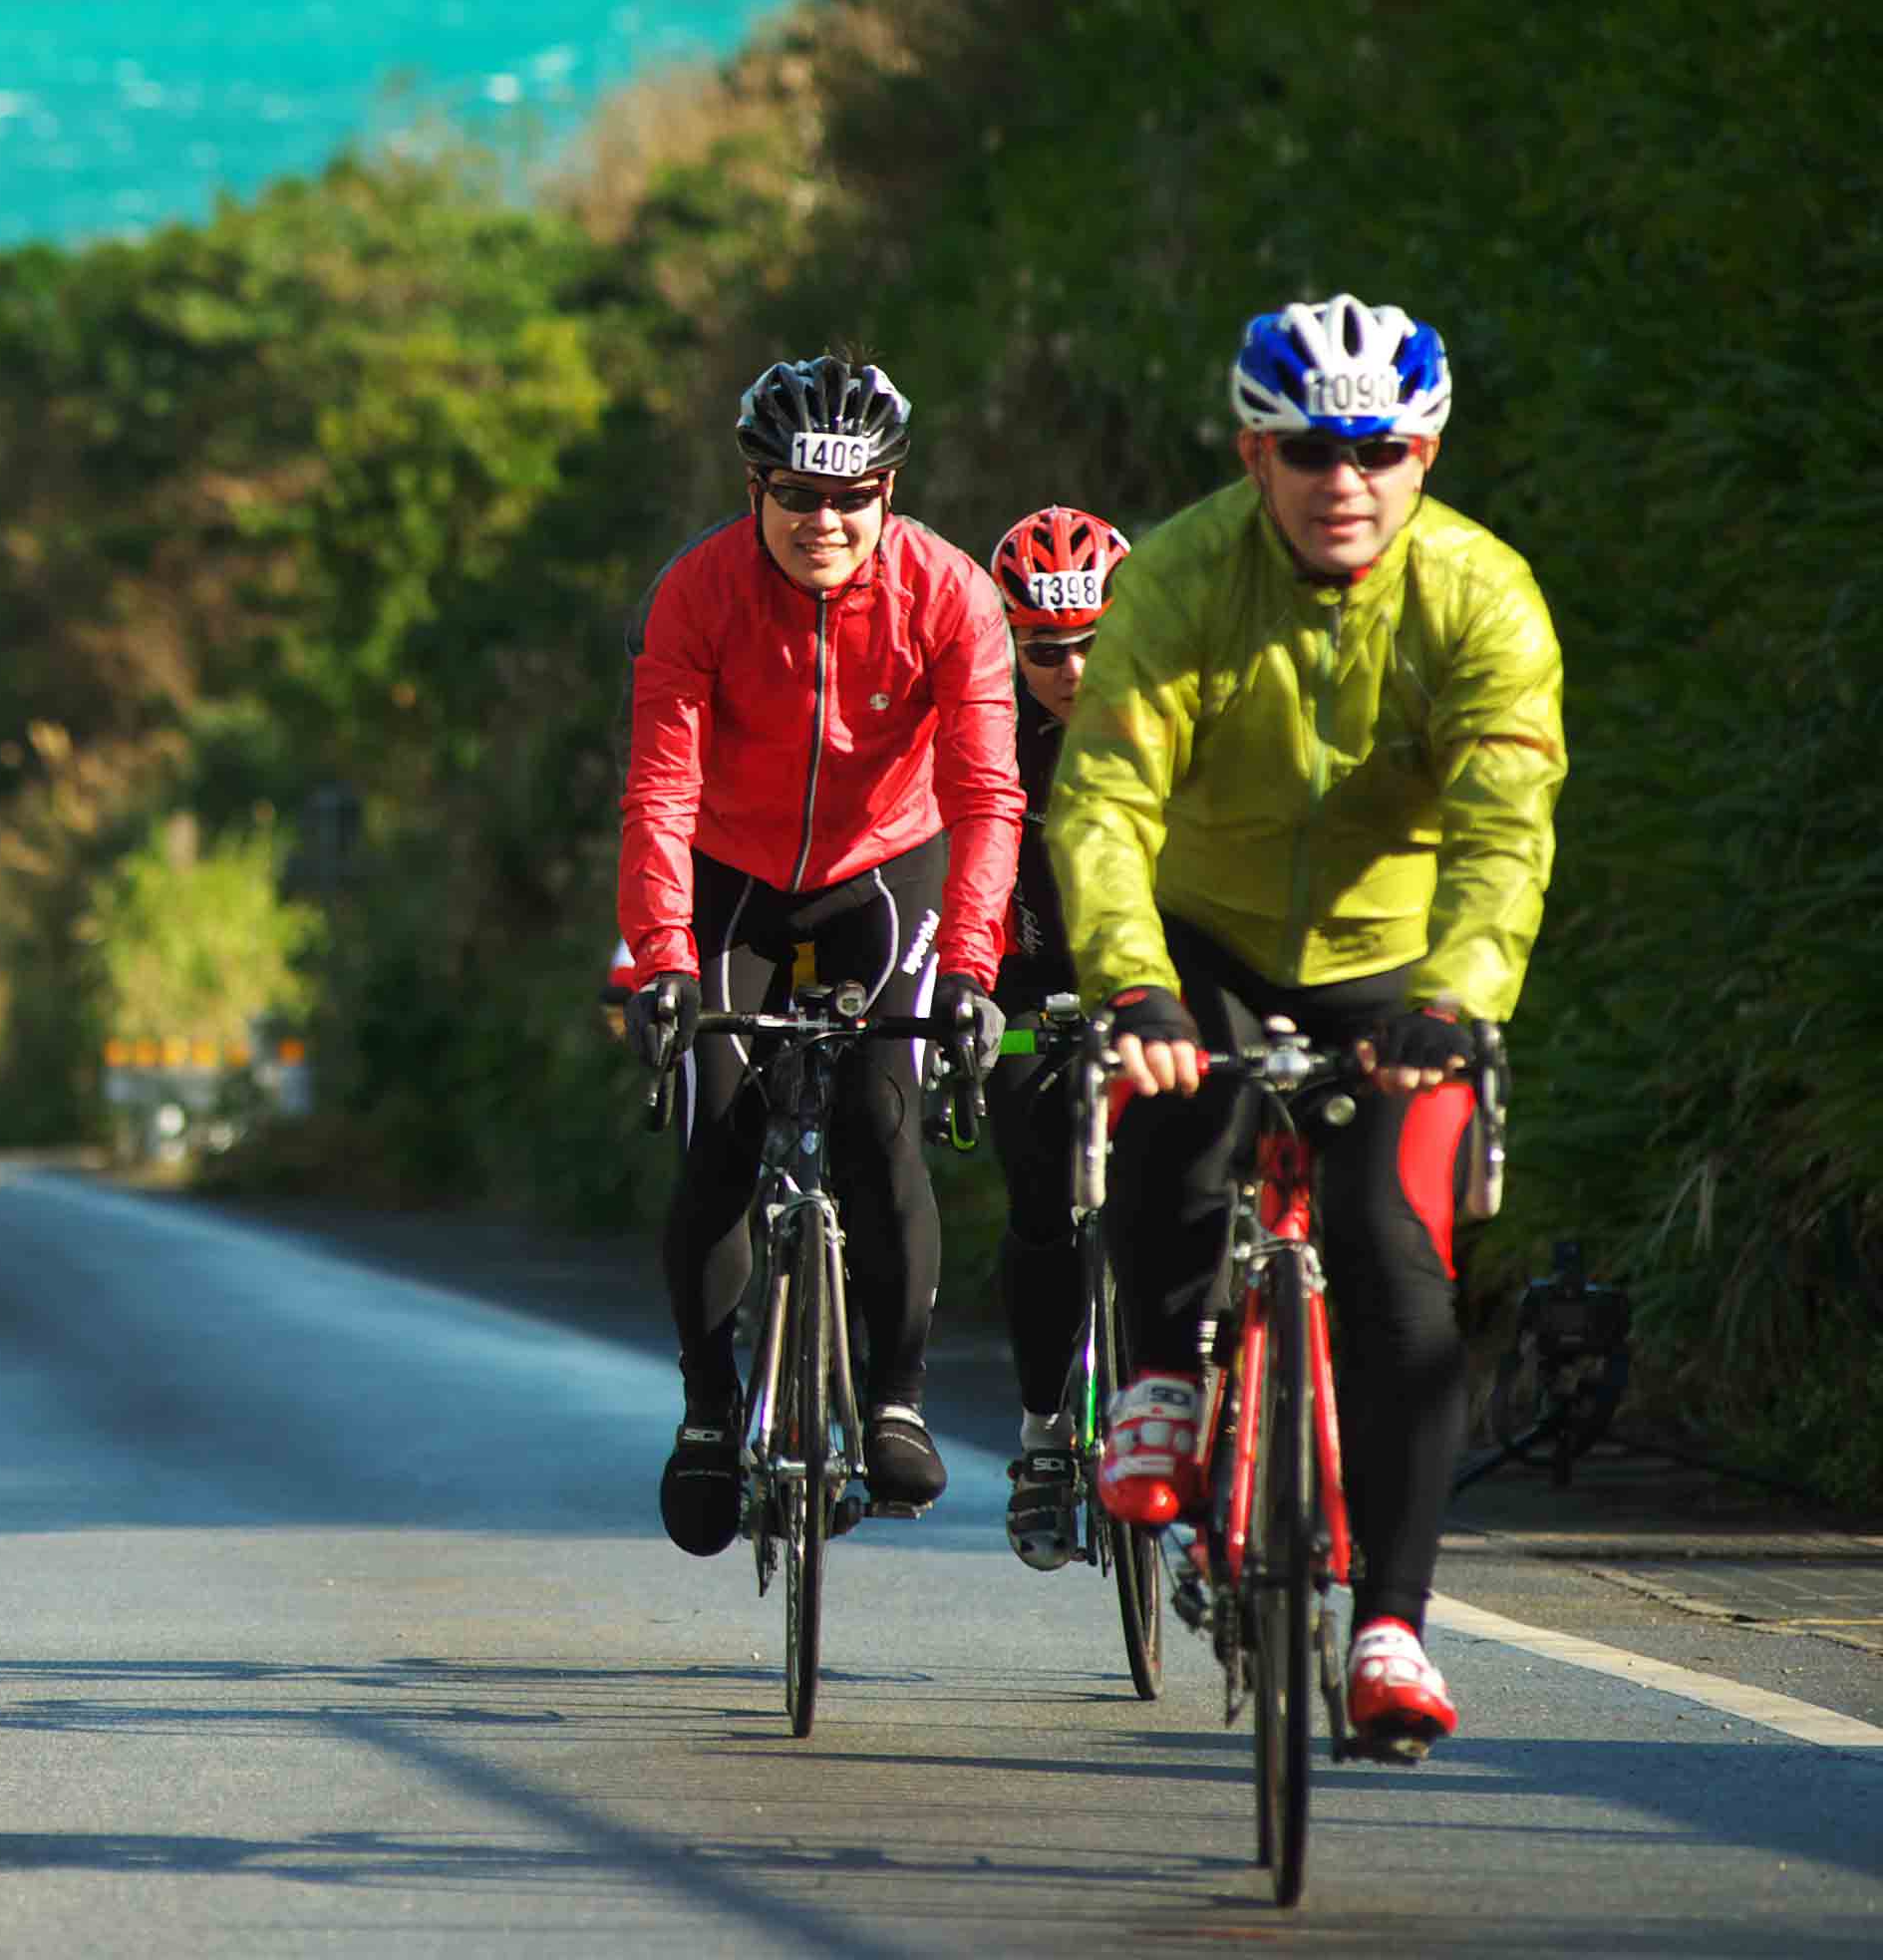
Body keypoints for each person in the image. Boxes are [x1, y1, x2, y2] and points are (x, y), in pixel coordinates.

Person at [1051, 295, 1563, 1762]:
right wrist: (1131, 985)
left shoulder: (1482, 597)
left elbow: (1503, 831)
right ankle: (1158, 1379)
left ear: (1429, 451)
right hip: (1206, 932)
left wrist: (1460, 999)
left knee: (1399, 1262)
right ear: (1251, 454)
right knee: (1172, 1109)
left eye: (1382, 450)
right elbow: (1102, 806)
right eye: (1310, 450)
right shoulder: (1184, 578)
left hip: (1399, 967)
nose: (1348, 483)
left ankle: (1392, 1626)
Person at [621, 353, 1022, 1556]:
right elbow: (657, 791)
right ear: (755, 486)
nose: (824, 521)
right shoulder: (695, 590)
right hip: (730, 878)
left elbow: (987, 794)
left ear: (888, 491)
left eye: (852, 497)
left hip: (879, 875)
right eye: (798, 494)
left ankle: (892, 1400)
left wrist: (969, 973)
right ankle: (705, 1410)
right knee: (721, 1127)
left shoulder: (950, 595)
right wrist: (662, 961)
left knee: (877, 1118)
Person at [978, 504, 1133, 1571]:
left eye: (1092, 643)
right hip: (1032, 984)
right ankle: (1042, 1436)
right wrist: (969, 995)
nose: (1069, 669)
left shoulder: (1175, 716)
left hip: (1156, 984)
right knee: (1040, 1205)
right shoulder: (989, 728)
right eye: (1042, 649)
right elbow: (957, 869)